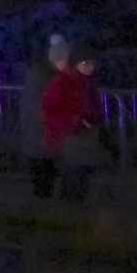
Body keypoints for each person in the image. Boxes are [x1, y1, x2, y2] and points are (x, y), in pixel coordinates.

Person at [41, 45, 108, 202]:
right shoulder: (62, 83)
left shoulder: (87, 83)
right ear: (76, 64)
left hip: (85, 139)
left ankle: (73, 214)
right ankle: (68, 216)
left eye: (92, 63)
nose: (91, 67)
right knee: (73, 181)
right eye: (85, 63)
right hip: (70, 141)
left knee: (81, 181)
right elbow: (49, 113)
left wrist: (97, 122)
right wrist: (75, 120)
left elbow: (94, 108)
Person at [18, 34, 70, 199]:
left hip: (40, 136)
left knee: (44, 176)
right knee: (42, 178)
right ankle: (42, 211)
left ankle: (42, 207)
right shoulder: (46, 77)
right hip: (40, 135)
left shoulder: (43, 73)